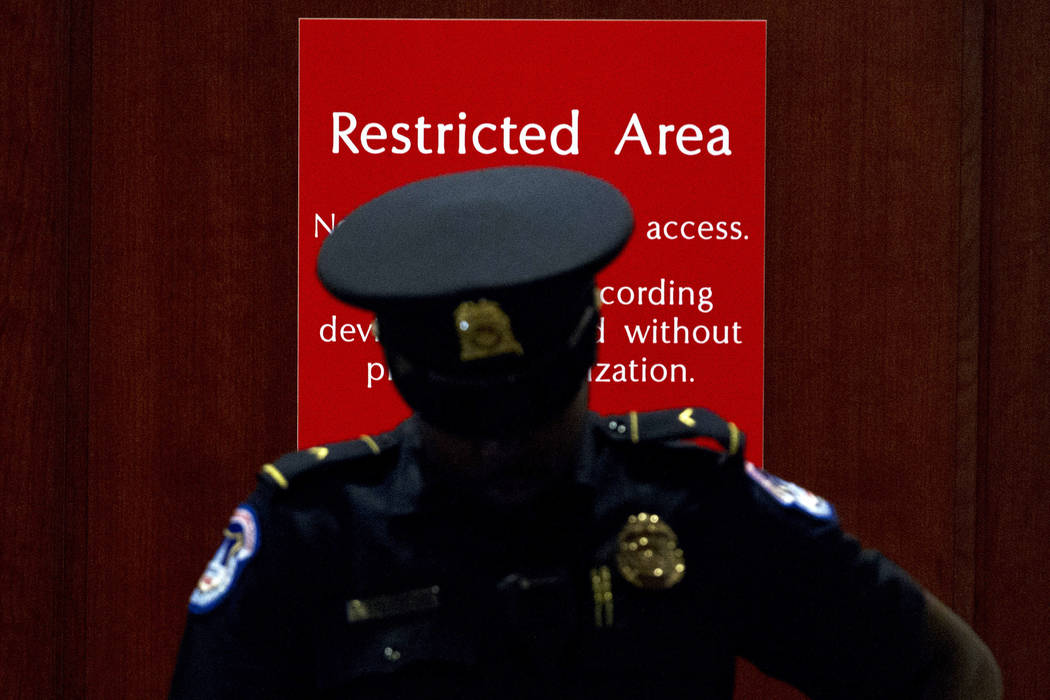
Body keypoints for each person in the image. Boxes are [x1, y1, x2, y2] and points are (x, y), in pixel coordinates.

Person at [170, 166, 1001, 699]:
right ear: (403, 380)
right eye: (464, 418)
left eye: (530, 411)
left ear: (591, 348)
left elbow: (946, 669)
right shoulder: (313, 535)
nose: (497, 446)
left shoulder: (689, 506)